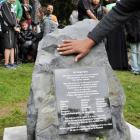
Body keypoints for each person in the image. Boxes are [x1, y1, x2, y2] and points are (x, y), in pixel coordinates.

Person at [57, 0, 140, 63]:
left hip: (95, 26)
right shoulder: (84, 2)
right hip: (86, 26)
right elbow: (118, 12)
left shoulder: (99, 6)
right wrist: (89, 40)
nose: (97, 0)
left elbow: (114, 12)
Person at [0, 0, 20, 68]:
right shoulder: (4, 4)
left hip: (13, 28)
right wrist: (14, 26)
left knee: (12, 46)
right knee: (8, 46)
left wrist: (17, 26)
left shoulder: (11, 5)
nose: (15, 0)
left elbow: (14, 17)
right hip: (7, 28)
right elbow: (7, 17)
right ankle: (6, 63)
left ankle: (12, 63)